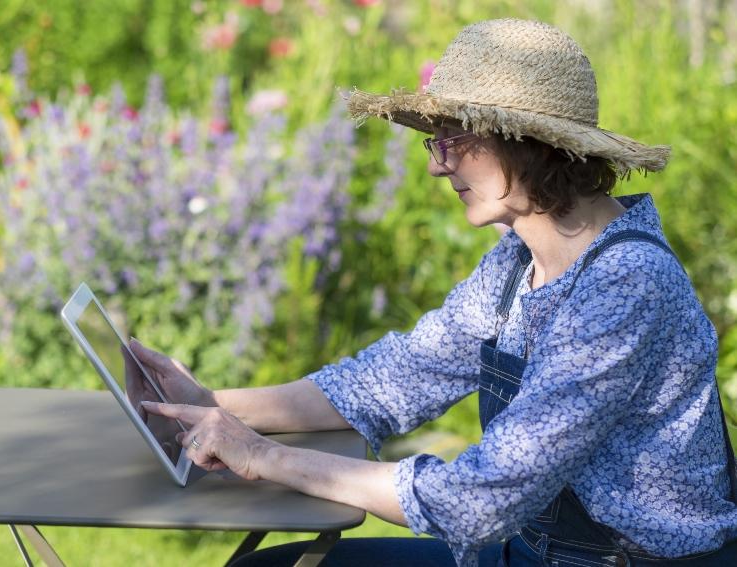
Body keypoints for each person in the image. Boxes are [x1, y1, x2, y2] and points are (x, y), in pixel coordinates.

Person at [132, 18, 737, 567]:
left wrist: (266, 458)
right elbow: (393, 379)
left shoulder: (625, 284)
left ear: (526, 142)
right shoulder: (518, 262)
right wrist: (211, 400)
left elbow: (477, 502)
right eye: (435, 141)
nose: (436, 165)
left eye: (454, 140)